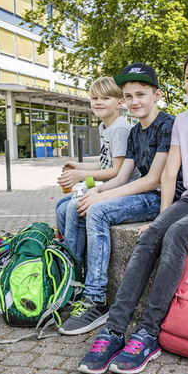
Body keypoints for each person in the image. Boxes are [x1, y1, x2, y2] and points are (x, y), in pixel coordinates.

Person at [78, 46, 188, 374]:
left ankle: (148, 333)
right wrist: (159, 218)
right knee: (152, 237)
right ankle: (114, 330)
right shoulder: (183, 120)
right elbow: (170, 172)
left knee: (177, 235)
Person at [58, 63, 184, 336]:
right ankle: (71, 285)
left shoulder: (168, 125)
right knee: (83, 205)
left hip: (166, 197)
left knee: (98, 212)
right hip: (145, 193)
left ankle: (96, 299)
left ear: (157, 95)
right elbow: (121, 175)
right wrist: (96, 191)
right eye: (129, 96)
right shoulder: (135, 132)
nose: (134, 101)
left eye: (141, 94)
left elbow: (153, 180)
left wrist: (102, 199)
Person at [55, 76, 137, 263]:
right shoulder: (104, 126)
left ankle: (72, 265)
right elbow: (105, 162)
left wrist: (81, 175)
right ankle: (74, 255)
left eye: (106, 98)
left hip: (124, 188)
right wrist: (78, 167)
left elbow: (117, 171)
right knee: (60, 207)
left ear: (119, 103)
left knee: (74, 208)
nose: (99, 102)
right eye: (95, 98)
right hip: (110, 187)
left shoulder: (120, 129)